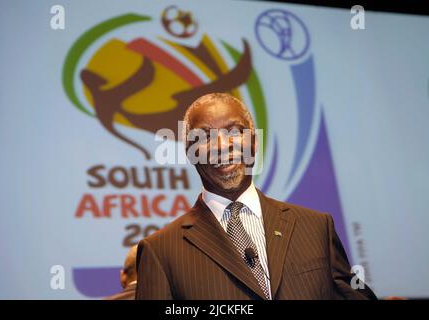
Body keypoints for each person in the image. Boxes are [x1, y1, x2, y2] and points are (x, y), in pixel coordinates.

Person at [136, 93, 377, 300]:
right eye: (205, 137)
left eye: (235, 131)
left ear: (254, 141)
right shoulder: (160, 251)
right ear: (189, 152)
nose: (222, 145)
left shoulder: (315, 227)